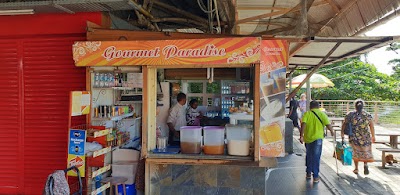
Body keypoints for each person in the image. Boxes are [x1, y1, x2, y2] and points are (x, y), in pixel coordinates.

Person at [300, 100, 333, 183]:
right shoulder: (322, 114)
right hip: (318, 138)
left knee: (309, 155)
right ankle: (315, 176)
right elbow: (328, 124)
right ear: (318, 106)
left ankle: (308, 172)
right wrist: (332, 132)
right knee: (316, 156)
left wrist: (301, 136)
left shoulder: (307, 114)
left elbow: (303, 124)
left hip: (308, 138)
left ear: (310, 107)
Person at [341, 99, 375, 175]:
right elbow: (372, 126)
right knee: (365, 151)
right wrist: (373, 136)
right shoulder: (367, 115)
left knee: (355, 152)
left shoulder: (350, 114)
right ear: (363, 106)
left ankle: (356, 168)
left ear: (355, 106)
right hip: (365, 137)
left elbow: (344, 124)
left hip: (354, 137)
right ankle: (365, 164)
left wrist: (342, 134)